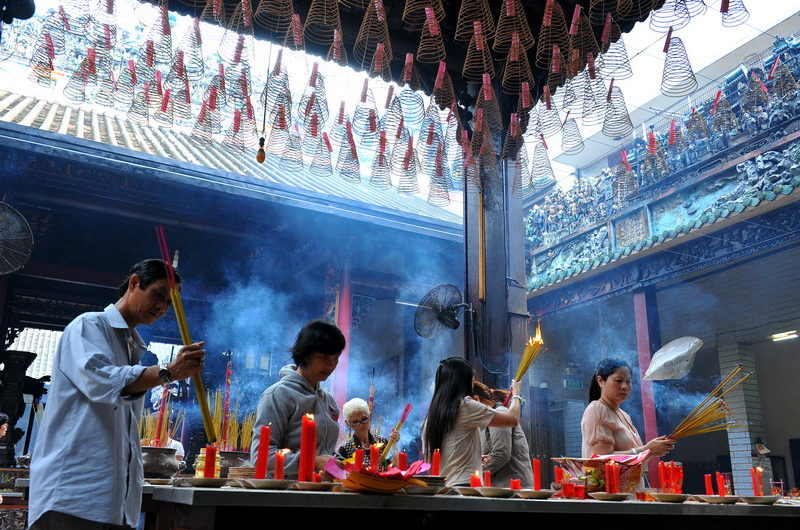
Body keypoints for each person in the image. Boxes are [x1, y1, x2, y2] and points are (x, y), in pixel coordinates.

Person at [28, 259, 206, 530]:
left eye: (169, 303)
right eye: (158, 295)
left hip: (112, 502)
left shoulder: (130, 347)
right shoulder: (88, 326)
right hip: (72, 494)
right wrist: (167, 373)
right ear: (134, 283)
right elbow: (103, 381)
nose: (162, 307)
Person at [250, 320, 345, 479]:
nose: (331, 365)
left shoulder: (328, 400)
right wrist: (313, 461)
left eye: (336, 358)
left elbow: (324, 452)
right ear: (305, 354)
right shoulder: (277, 395)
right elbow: (262, 457)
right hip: (287, 493)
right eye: (324, 357)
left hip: (323, 492)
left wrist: (340, 462)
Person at [422, 357, 522, 487]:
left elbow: (430, 459)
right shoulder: (464, 405)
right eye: (471, 380)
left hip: (442, 487)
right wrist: (516, 393)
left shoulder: (430, 417)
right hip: (465, 485)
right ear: (461, 382)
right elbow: (512, 419)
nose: (472, 385)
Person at [581, 358, 675, 460]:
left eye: (628, 382)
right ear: (600, 381)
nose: (625, 387)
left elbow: (635, 460)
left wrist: (652, 450)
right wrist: (647, 450)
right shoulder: (597, 409)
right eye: (618, 381)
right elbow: (602, 459)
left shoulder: (624, 415)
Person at [473, 382, 533, 489]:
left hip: (512, 487)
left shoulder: (500, 412)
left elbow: (501, 453)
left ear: (477, 399)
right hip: (501, 486)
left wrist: (475, 475)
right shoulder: (485, 419)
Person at [336, 398, 399, 469]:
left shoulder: (382, 441)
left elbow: (396, 467)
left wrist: (394, 445)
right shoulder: (346, 448)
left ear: (369, 417)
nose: (361, 425)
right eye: (356, 422)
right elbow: (339, 474)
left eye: (364, 419)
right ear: (348, 424)